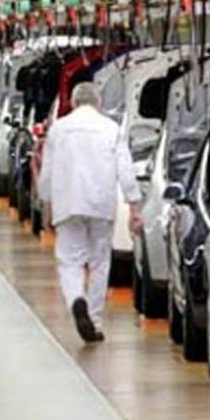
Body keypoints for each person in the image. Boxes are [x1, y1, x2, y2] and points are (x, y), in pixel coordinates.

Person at [38, 82, 142, 343]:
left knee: (70, 261)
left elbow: (47, 172)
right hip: (101, 203)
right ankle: (94, 321)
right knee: (100, 262)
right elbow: (126, 170)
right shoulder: (111, 128)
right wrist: (134, 206)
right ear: (98, 103)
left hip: (67, 203)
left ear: (73, 103)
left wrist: (46, 206)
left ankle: (76, 300)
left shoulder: (58, 129)